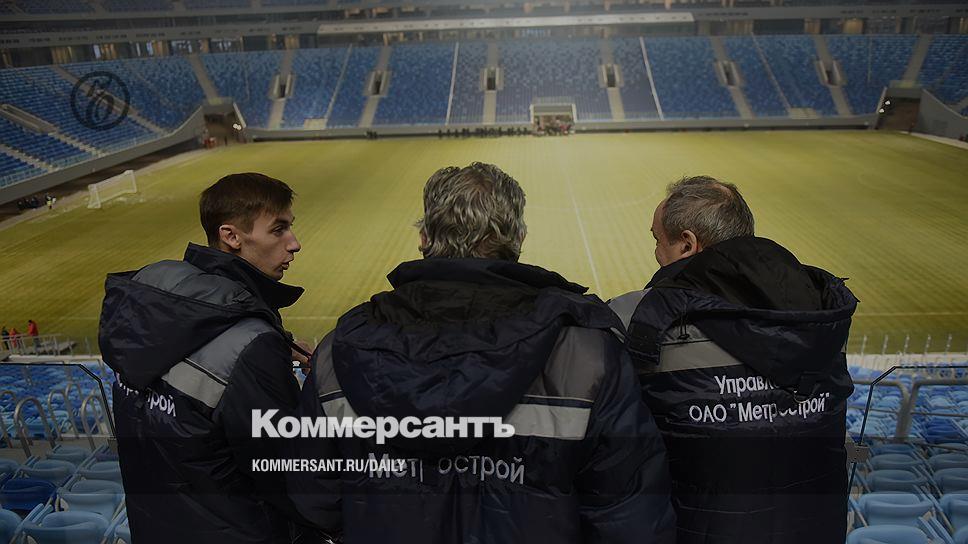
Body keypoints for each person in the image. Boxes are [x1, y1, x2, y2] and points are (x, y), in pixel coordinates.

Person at [294, 162, 676, 544]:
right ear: (519, 237)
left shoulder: (336, 353)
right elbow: (628, 512)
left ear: (424, 237)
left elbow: (314, 496)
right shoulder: (587, 351)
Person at [609, 176, 857, 544]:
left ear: (687, 244)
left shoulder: (637, 318)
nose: (657, 253)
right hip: (816, 528)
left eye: (657, 240)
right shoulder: (822, 308)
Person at [98, 172, 334, 544]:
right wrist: (315, 383)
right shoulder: (249, 346)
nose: (295, 243)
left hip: (153, 524)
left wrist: (270, 347)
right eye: (279, 230)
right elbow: (288, 473)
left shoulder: (149, 290)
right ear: (231, 236)